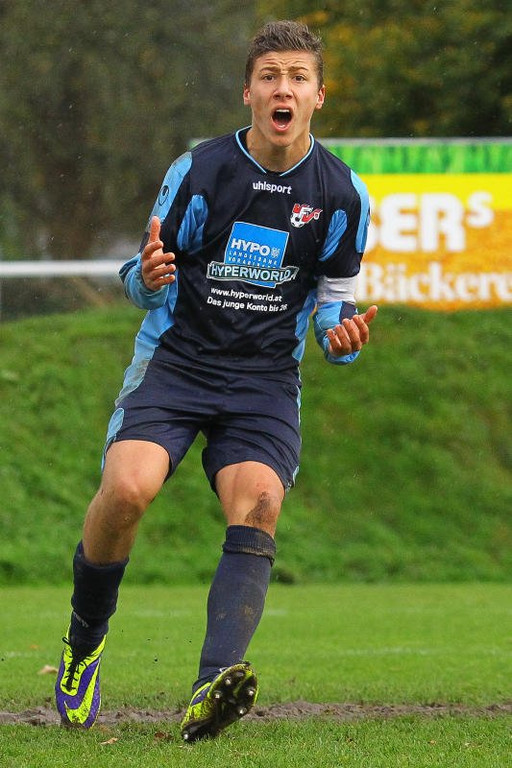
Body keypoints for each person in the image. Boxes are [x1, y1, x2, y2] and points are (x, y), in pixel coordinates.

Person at [55, 19, 378, 741]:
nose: (283, 89)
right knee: (127, 490)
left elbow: (334, 308)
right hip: (177, 363)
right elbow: (139, 277)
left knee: (259, 502)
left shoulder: (342, 193)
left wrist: (342, 341)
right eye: (270, 77)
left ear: (318, 96)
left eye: (297, 77)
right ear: (249, 93)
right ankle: (83, 642)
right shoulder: (199, 170)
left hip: (263, 381)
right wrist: (147, 276)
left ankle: (212, 687)